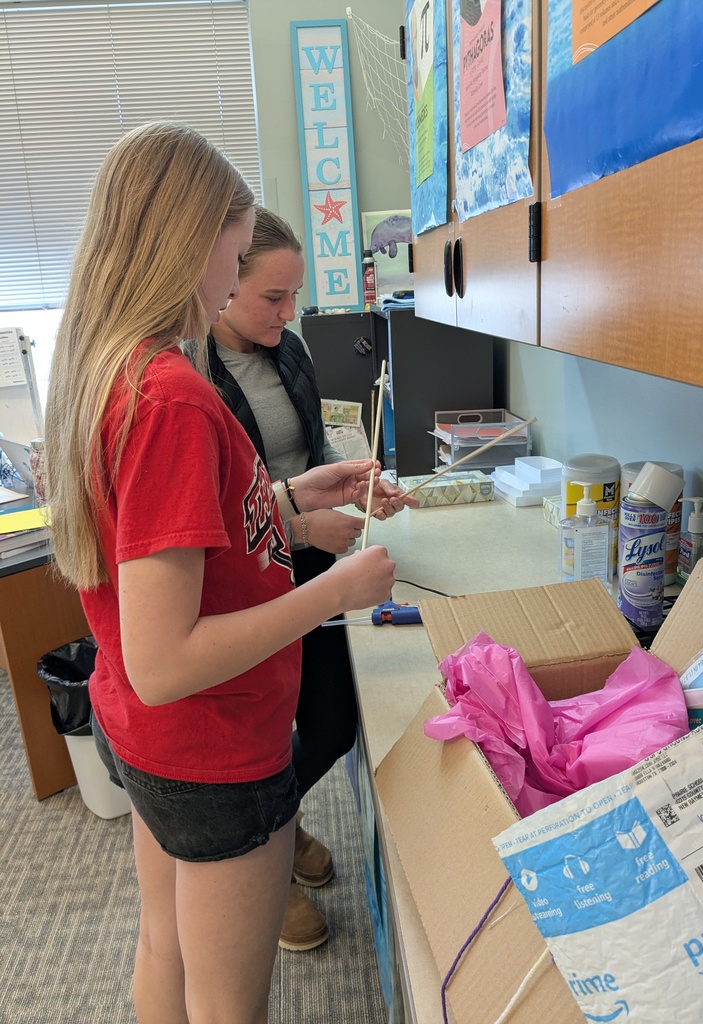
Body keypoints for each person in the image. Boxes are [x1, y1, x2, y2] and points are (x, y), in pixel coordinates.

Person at [44, 121, 396, 1024]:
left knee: (165, 946)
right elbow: (171, 654)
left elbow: (175, 549)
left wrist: (283, 499)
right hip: (212, 748)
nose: (233, 285)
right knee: (229, 1004)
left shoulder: (109, 371)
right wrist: (335, 589)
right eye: (236, 260)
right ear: (192, 241)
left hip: (146, 733)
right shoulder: (170, 396)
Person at [205, 205, 416, 951]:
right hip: (247, 575)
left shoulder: (287, 348)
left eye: (294, 295)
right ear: (222, 279)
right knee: (261, 738)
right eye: (273, 297)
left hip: (310, 545)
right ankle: (271, 855)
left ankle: (280, 827)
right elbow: (216, 524)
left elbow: (308, 450)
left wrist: (357, 488)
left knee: (329, 720)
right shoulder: (190, 379)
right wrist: (297, 525)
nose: (290, 312)